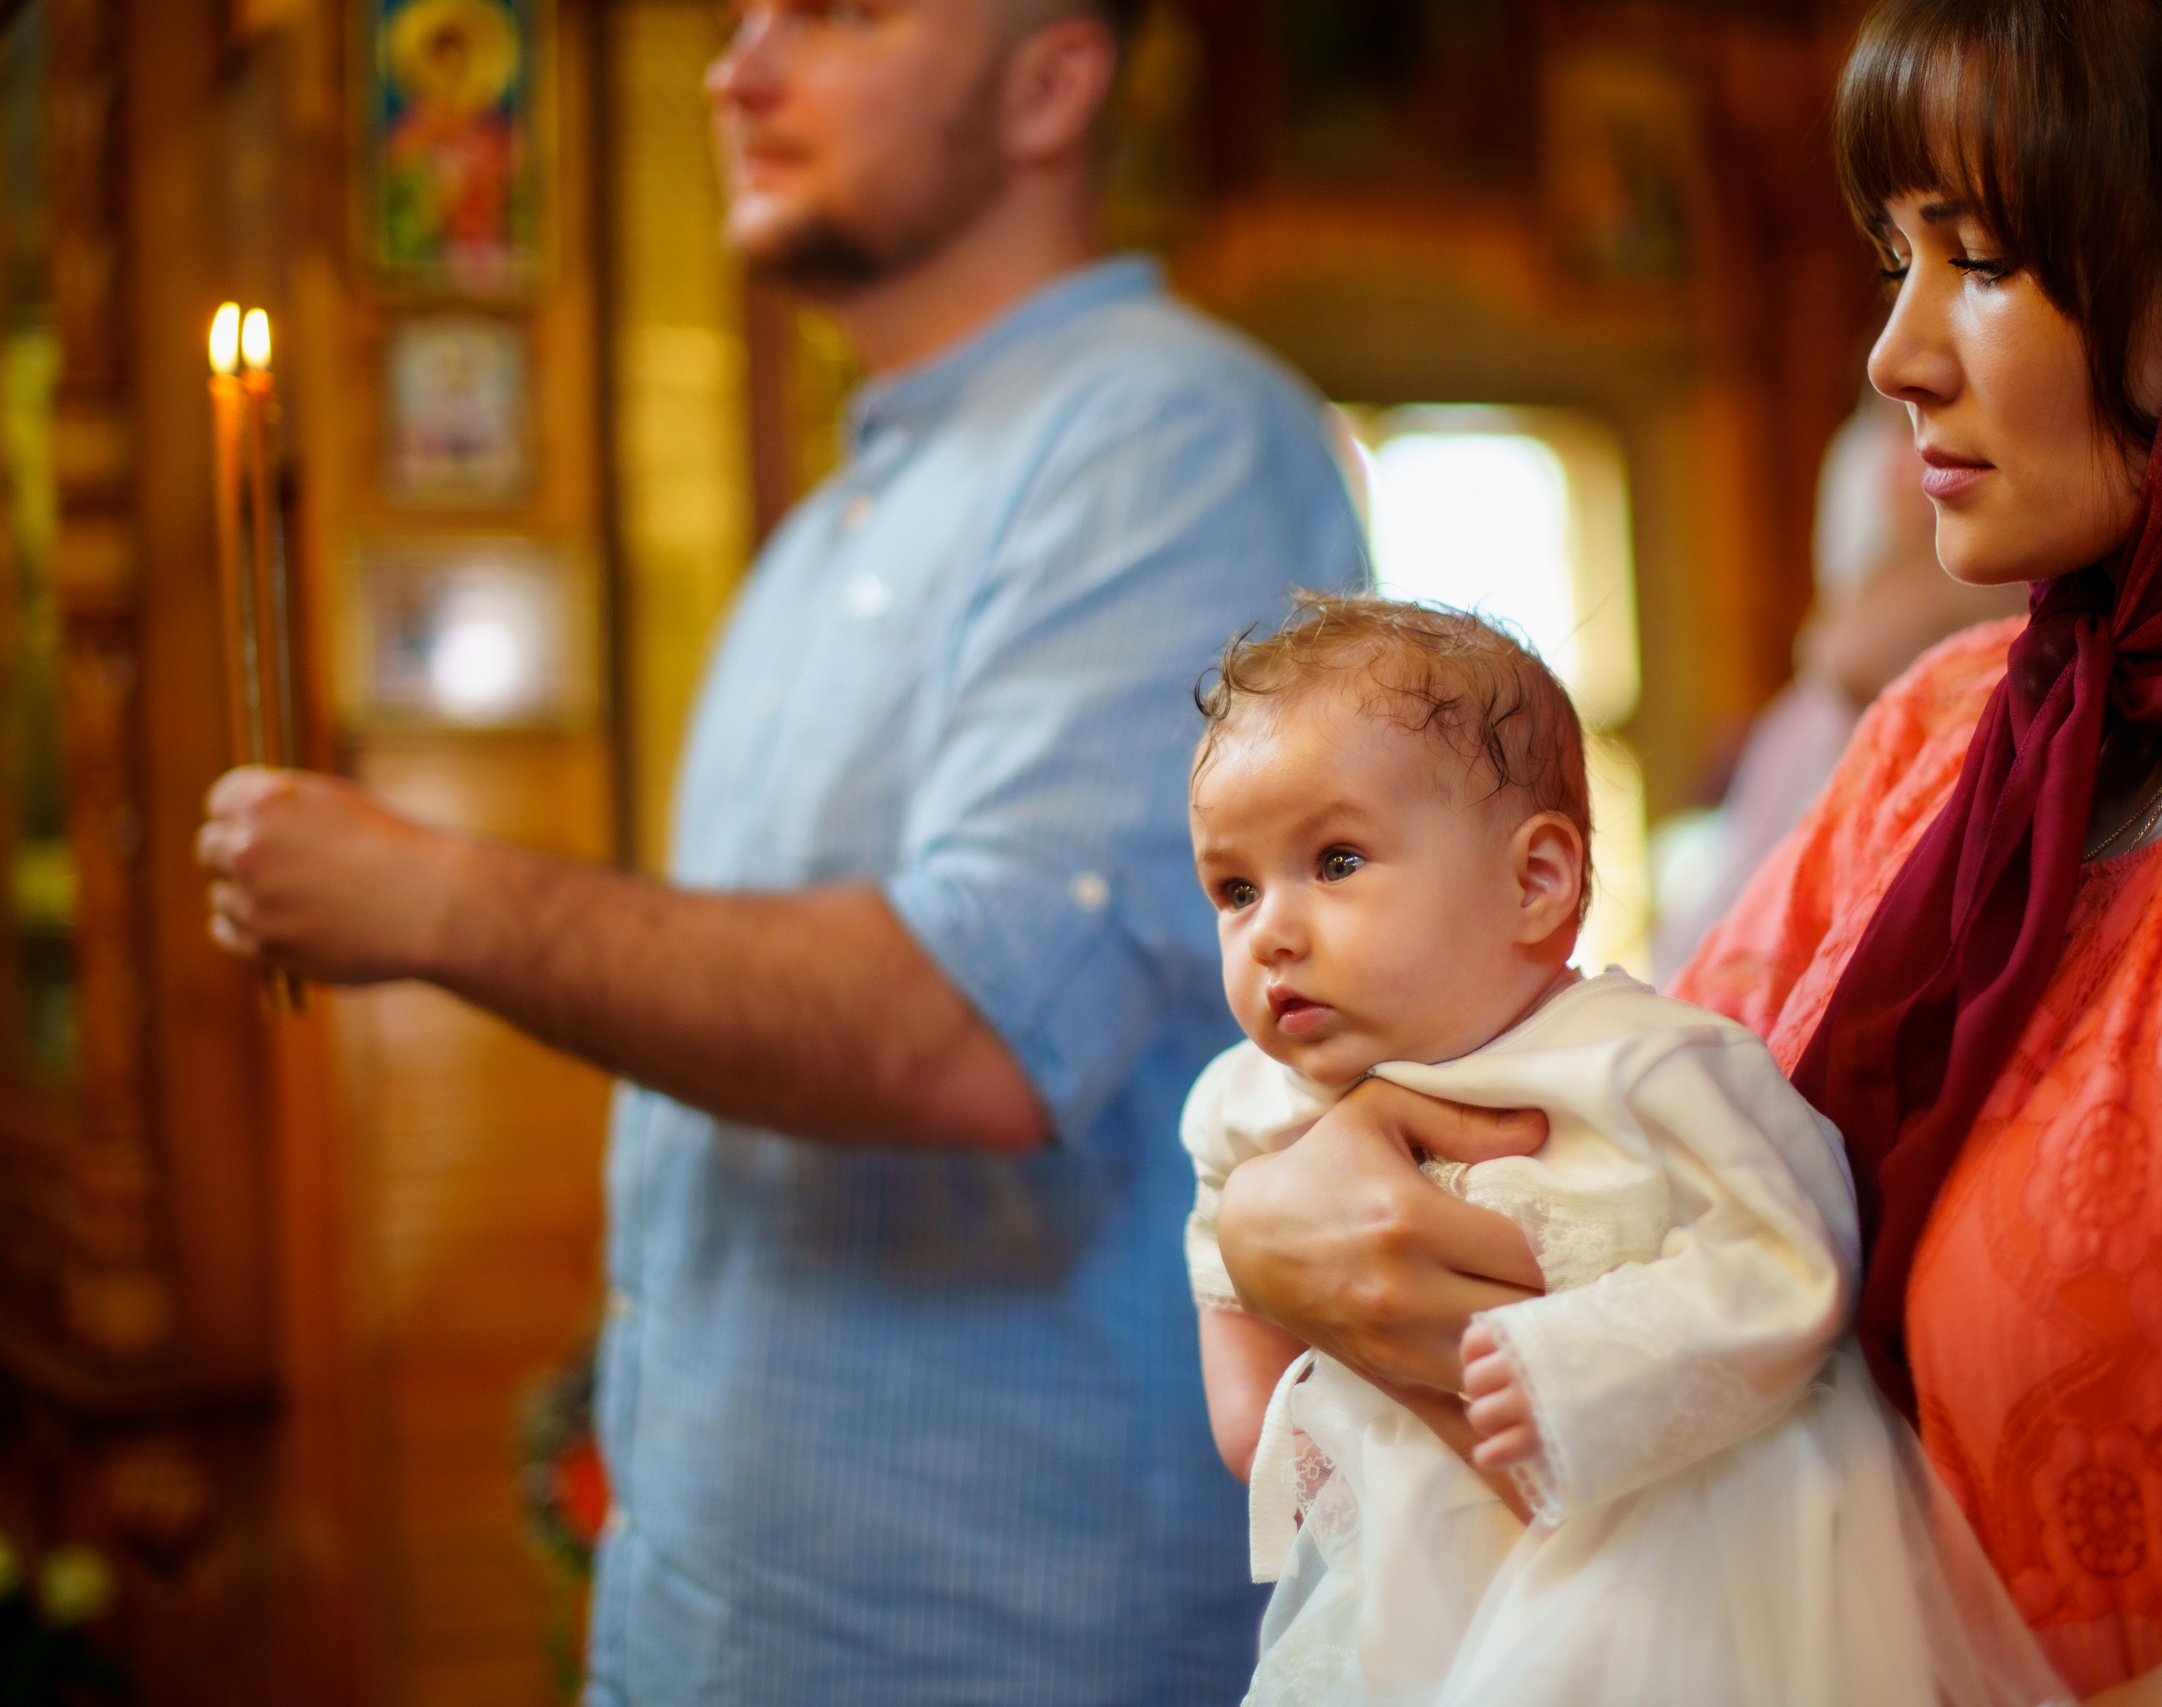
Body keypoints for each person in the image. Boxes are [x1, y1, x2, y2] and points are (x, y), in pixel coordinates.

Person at [1208, 0, 2162, 1702]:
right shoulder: (1953, 731)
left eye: (1985, 259)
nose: (1895, 354)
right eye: (1892, 259)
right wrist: (1270, 1218)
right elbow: (1611, 1152)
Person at [196, 0, 1367, 1700]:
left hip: (1010, 1643)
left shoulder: (1170, 435)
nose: (734, 67)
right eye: (741, 19)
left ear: (1050, 76)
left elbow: (969, 1026)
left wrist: (433, 895)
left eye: (832, 13)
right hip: (716, 1622)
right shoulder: (831, 524)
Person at [1177, 598, 2056, 1707]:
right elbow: (1236, 1338)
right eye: (1235, 889)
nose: (1271, 932)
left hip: (1662, 1554)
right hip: (1406, 1574)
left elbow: (1789, 1260)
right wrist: (1277, 1426)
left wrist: (1578, 1371)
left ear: (1534, 881)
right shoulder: (1251, 1101)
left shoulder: (1644, 1067)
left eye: (1337, 860)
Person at [1649, 395, 2023, 966]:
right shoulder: (1809, 704)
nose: (1909, 458)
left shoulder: (1979, 589)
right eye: (1895, 428)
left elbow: (1846, 654)